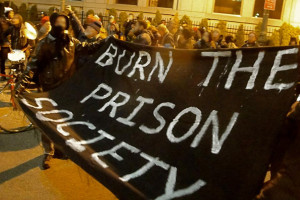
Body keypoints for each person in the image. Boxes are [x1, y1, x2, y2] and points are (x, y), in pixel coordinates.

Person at [17, 12, 105, 170]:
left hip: (66, 87)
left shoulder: (71, 41)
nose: (61, 25)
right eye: (58, 22)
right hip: (48, 87)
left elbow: (88, 47)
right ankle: (48, 152)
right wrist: (20, 85)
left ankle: (58, 149)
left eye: (64, 22)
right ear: (52, 23)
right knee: (47, 122)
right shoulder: (44, 43)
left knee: (62, 120)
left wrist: (107, 41)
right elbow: (32, 65)